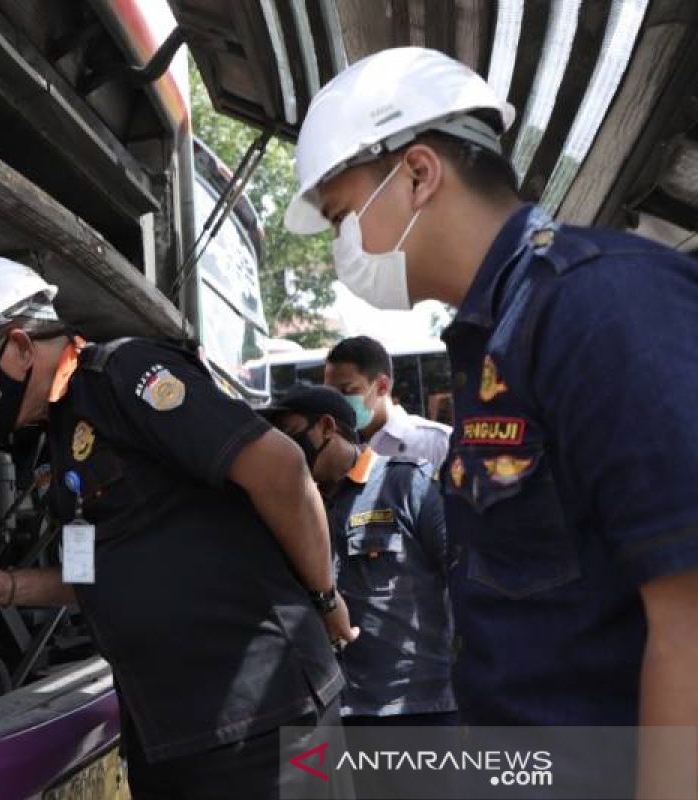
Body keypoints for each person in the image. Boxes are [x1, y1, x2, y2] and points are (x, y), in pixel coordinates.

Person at [284, 46, 698, 796]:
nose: (344, 248)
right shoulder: (491, 340)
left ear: (417, 174)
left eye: (343, 216)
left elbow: (690, 618)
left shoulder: (595, 305)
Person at [0, 256, 357, 799]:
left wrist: (324, 597)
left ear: (18, 345)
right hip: (171, 737)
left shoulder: (124, 375)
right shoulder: (59, 443)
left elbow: (284, 471)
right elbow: (93, 576)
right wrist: (5, 585)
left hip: (264, 717)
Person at [263, 385, 455, 796]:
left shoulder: (408, 484)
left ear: (327, 428)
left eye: (289, 432)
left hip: (410, 711)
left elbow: (464, 581)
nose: (282, 447)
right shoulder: (290, 506)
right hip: (330, 716)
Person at [323, 335, 451, 470]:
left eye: (347, 390)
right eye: (330, 393)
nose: (336, 401)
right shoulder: (329, 448)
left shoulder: (436, 443)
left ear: (382, 386)